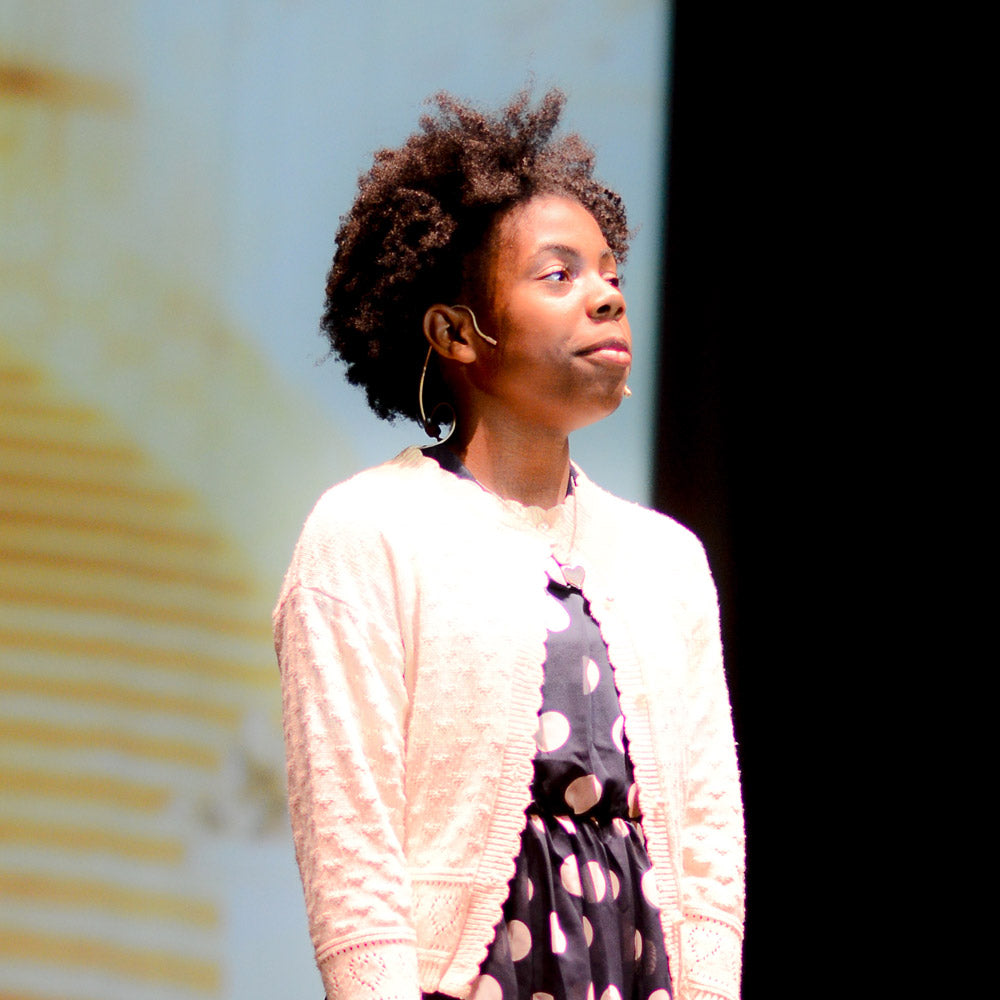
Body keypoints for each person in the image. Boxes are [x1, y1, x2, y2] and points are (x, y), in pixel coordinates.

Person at [274, 89, 744, 1000]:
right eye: (559, 275)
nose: (607, 293)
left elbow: (710, 832)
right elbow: (351, 840)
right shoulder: (366, 535)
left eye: (608, 271)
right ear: (455, 331)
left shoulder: (669, 560)